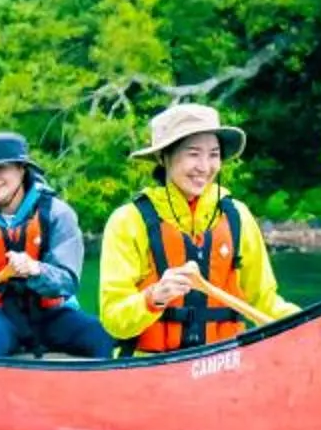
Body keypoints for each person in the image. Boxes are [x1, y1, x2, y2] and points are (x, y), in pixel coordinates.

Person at [95, 104, 292, 354]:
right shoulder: (127, 221)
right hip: (148, 369)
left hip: (226, 364)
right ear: (163, 157)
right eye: (193, 153)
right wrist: (154, 297)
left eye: (214, 154)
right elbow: (114, 321)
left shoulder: (237, 216)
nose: (205, 166)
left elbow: (265, 302)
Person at [0, 131, 116, 360]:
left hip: (49, 314)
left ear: (21, 169)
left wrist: (36, 269)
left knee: (100, 335)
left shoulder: (56, 213)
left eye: (1, 168)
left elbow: (67, 281)